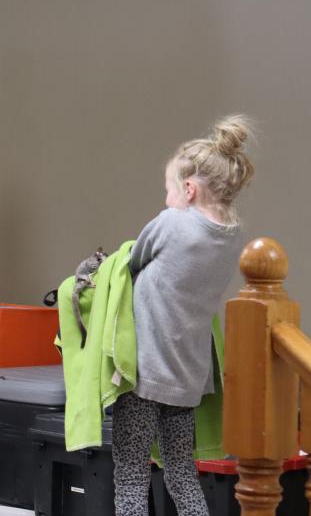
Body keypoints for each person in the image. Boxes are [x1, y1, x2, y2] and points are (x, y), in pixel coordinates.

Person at [112, 115, 255, 515]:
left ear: (189, 189)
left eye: (168, 190)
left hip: (144, 374)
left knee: (131, 476)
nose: (166, 199)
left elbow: (133, 262)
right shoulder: (231, 238)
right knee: (180, 472)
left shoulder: (173, 223)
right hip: (187, 378)